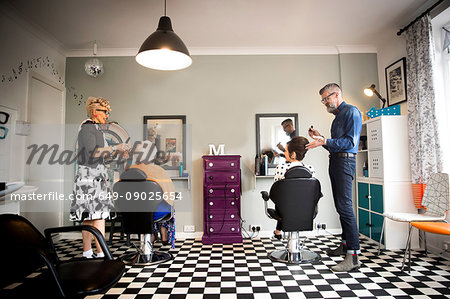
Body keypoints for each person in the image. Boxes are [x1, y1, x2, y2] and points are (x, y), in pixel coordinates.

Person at [306, 83, 362, 272]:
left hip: (345, 162)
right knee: (340, 206)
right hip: (336, 161)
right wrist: (321, 138)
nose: (324, 102)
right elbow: (334, 145)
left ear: (336, 94)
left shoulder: (351, 112)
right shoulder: (337, 117)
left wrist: (325, 140)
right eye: (323, 100)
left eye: (326, 98)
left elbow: (349, 142)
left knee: (345, 207)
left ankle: (353, 257)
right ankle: (345, 245)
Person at [70, 97, 129, 259]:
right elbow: (93, 152)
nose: (107, 116)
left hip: (91, 174)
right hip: (91, 176)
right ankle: (102, 252)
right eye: (105, 112)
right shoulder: (89, 127)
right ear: (95, 112)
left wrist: (117, 152)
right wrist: (116, 147)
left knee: (89, 217)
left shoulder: (93, 128)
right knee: (98, 216)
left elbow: (100, 156)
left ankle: (88, 252)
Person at [272, 136, 315, 240]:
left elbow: (276, 192)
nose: (285, 153)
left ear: (293, 154)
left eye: (286, 151)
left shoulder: (281, 167)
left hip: (285, 211)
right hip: (306, 211)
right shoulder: (310, 169)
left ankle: (278, 232)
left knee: (284, 203)